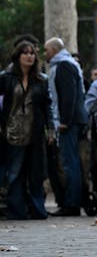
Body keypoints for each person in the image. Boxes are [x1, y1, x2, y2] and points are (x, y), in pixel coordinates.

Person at [0, 41, 54, 219]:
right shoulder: (6, 78)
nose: (30, 56)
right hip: (12, 131)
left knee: (36, 172)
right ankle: (16, 210)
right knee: (14, 172)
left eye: (32, 53)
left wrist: (51, 129)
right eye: (25, 53)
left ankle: (38, 209)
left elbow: (48, 106)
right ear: (18, 56)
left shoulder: (41, 79)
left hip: (35, 131)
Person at [44, 37, 88, 217]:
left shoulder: (64, 66)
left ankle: (72, 203)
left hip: (69, 123)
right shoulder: (65, 64)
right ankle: (71, 201)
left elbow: (69, 96)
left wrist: (65, 121)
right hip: (71, 121)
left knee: (70, 163)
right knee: (70, 162)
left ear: (54, 50)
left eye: (46, 50)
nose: (44, 53)